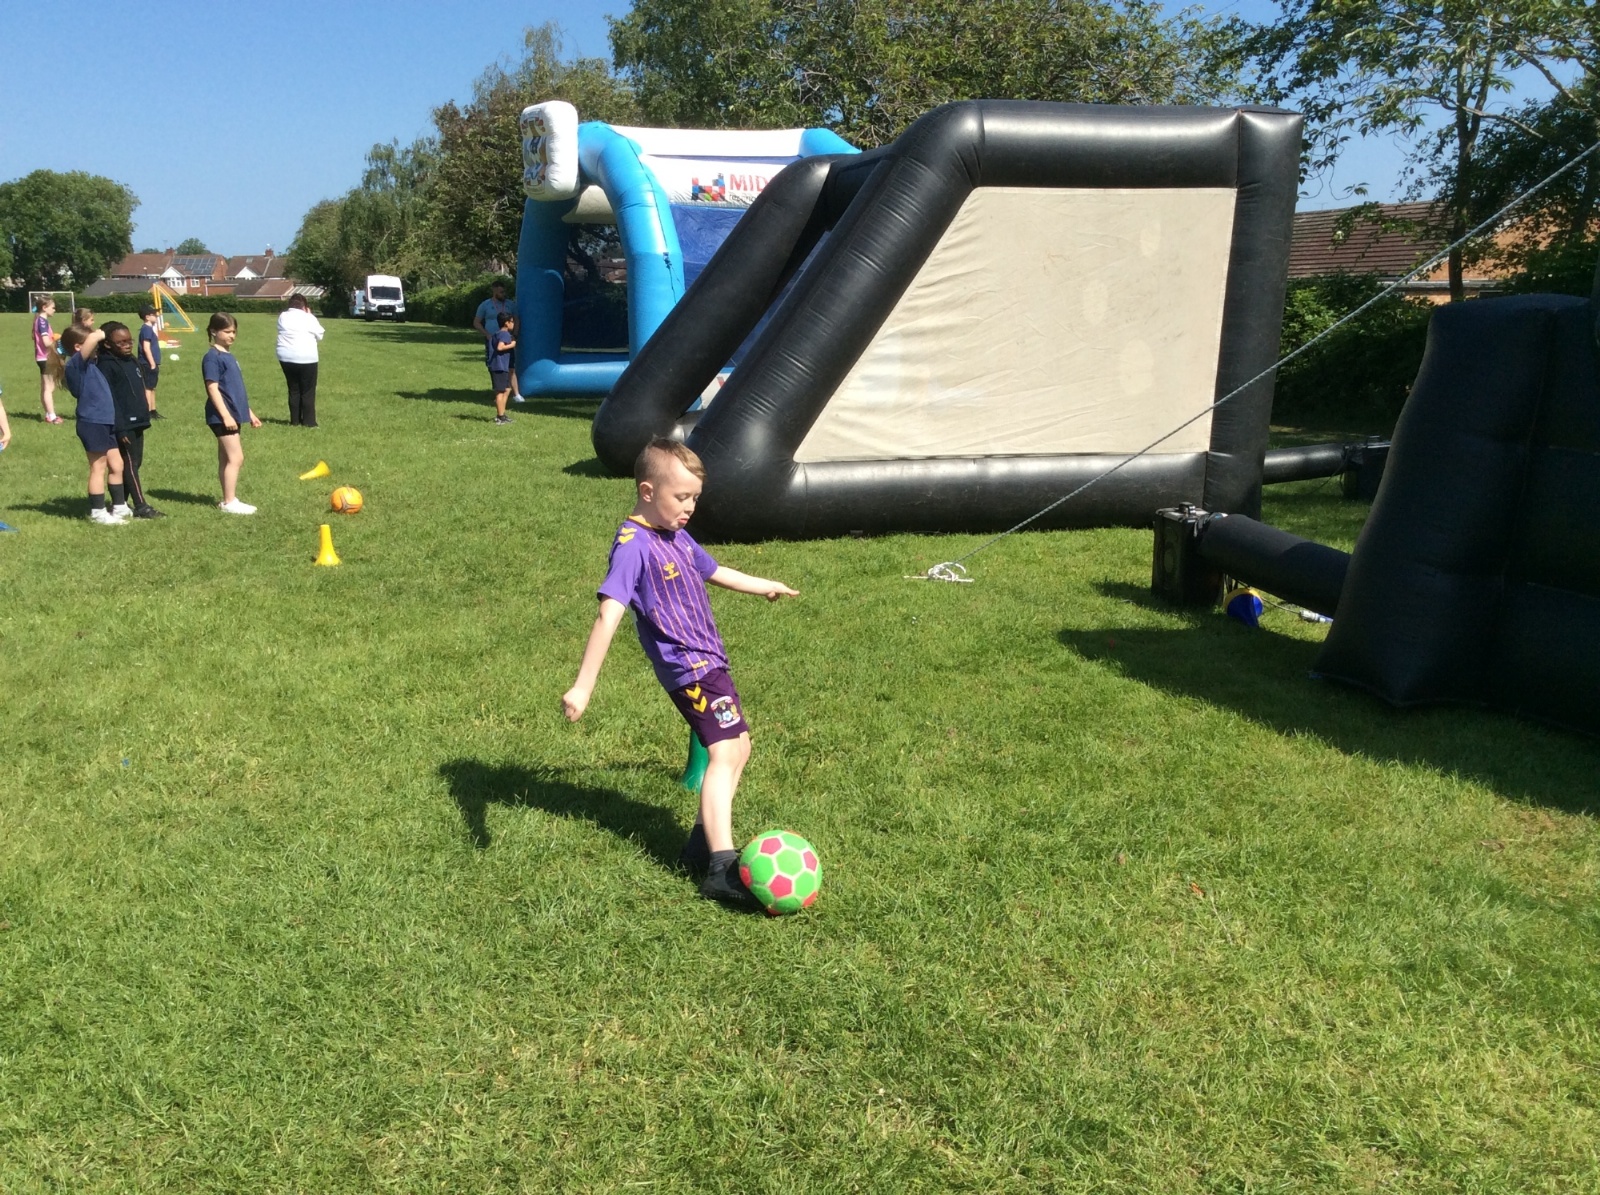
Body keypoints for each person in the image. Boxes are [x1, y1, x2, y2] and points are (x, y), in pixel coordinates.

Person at [562, 438, 800, 910]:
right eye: (682, 497)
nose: (690, 507)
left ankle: (698, 847)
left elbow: (715, 570)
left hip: (710, 661)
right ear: (648, 491)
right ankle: (721, 867)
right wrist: (583, 687)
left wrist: (763, 586)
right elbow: (608, 614)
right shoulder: (633, 546)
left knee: (740, 747)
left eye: (695, 498)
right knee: (725, 752)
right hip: (688, 668)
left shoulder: (675, 535)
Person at [60, 326, 131, 525]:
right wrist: (100, 333)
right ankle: (98, 512)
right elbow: (92, 339)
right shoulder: (76, 365)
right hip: (92, 423)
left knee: (117, 465)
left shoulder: (92, 364)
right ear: (78, 347)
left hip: (105, 422)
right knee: (98, 467)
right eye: (94, 343)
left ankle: (119, 507)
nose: (97, 346)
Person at [97, 321, 163, 519]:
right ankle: (141, 506)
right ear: (107, 344)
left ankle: (121, 502)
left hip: (138, 420)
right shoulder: (105, 365)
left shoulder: (131, 360)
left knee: (135, 462)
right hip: (123, 423)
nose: (127, 345)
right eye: (121, 342)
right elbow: (110, 400)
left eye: (129, 341)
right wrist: (120, 427)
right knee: (129, 463)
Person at [201, 312, 262, 514]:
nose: (232, 335)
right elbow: (212, 388)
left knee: (226, 458)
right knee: (236, 458)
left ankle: (227, 499)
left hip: (233, 414)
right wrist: (226, 415)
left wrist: (249, 413)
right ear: (213, 331)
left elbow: (235, 389)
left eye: (234, 331)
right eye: (227, 331)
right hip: (222, 416)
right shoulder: (212, 358)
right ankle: (230, 502)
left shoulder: (228, 356)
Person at [275, 294, 326, 426]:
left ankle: (295, 420)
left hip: (285, 356)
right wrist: (309, 314)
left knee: (293, 388)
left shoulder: (282, 316)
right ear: (304, 306)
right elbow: (320, 335)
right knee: (308, 390)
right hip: (306, 356)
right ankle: (309, 421)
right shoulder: (308, 318)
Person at [473, 281, 524, 403]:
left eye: (504, 291)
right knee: (495, 367)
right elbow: (476, 322)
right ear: (494, 290)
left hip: (507, 339)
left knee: (510, 367)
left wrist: (514, 335)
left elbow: (516, 320)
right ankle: (499, 392)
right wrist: (487, 334)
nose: (503, 294)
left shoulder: (510, 304)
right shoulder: (485, 305)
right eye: (501, 292)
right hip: (492, 341)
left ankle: (516, 394)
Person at [32, 297, 63, 424]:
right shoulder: (42, 322)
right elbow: (46, 342)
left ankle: (48, 414)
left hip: (41, 357)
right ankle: (52, 416)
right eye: (53, 307)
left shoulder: (39, 320)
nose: (54, 310)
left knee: (45, 386)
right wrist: (57, 339)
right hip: (46, 357)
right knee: (49, 388)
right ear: (44, 307)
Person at [136, 304, 164, 419]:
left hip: (151, 363)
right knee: (148, 387)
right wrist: (152, 363)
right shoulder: (146, 329)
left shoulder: (148, 329)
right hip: (147, 363)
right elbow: (146, 347)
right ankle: (147, 412)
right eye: (154, 314)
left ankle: (153, 410)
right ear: (147, 317)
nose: (156, 316)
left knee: (152, 387)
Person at [487, 313, 516, 424]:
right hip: (499, 366)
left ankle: (502, 414)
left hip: (501, 366)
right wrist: (512, 345)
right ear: (506, 323)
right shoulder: (505, 334)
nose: (513, 324)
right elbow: (500, 347)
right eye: (512, 321)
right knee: (500, 392)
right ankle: (500, 417)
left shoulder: (497, 334)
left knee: (507, 389)